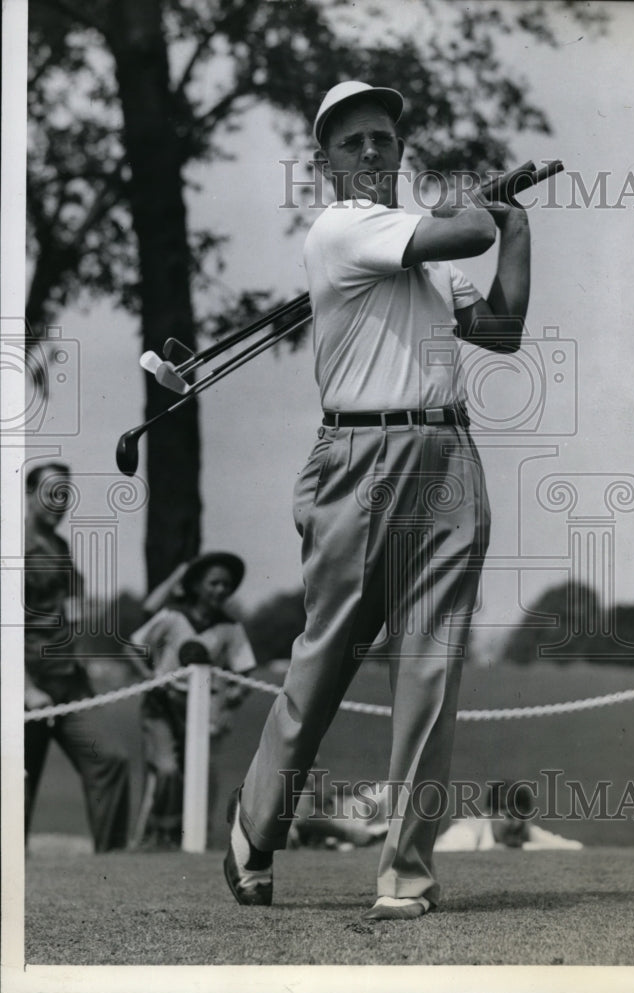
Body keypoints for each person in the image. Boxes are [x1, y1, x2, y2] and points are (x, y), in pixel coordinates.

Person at [224, 80, 532, 920]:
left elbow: (502, 330)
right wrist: (483, 208)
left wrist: (517, 227)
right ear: (324, 165)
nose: (370, 154)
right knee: (322, 666)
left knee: (429, 671)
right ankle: (255, 823)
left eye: (383, 142)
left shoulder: (418, 258)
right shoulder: (342, 226)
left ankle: (405, 870)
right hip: (356, 459)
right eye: (352, 143)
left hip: (445, 454)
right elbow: (462, 228)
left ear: (399, 156)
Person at [24, 462, 130, 852]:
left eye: (65, 494)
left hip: (69, 682)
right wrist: (26, 688)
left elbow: (75, 608)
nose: (59, 502)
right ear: (29, 493)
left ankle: (112, 868)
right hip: (28, 686)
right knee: (20, 784)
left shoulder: (59, 547)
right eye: (51, 492)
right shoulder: (14, 546)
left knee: (110, 759)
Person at [130, 552, 256, 849]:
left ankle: (189, 837)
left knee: (200, 773)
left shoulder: (230, 628)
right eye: (213, 583)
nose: (220, 590)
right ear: (197, 586)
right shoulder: (173, 617)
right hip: (162, 707)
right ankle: (157, 834)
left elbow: (245, 671)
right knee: (167, 769)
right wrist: (149, 677)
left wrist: (231, 702)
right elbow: (133, 647)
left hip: (201, 712)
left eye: (226, 585)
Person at [434, 781, 584, 852]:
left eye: (522, 816)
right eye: (510, 817)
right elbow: (439, 854)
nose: (518, 824)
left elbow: (573, 847)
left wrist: (522, 846)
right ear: (490, 813)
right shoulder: (466, 833)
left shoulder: (526, 829)